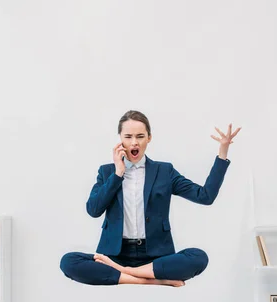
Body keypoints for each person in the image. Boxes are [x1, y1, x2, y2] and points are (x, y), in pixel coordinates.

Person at [60, 110, 241, 287]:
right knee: (68, 262)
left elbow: (205, 196)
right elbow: (93, 210)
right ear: (120, 139)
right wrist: (118, 174)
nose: (134, 142)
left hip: (156, 257)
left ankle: (125, 273)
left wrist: (223, 152)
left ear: (149, 138)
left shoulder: (164, 171)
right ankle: (151, 280)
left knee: (199, 257)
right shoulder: (107, 171)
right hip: (115, 255)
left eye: (140, 136)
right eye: (128, 136)